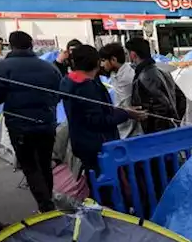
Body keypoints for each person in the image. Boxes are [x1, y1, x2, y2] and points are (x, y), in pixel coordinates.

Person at [0, 31, 62, 212]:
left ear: (11, 45)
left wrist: (7, 96)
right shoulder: (49, 67)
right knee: (44, 163)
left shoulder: (2, 68)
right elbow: (59, 93)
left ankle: (45, 205)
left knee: (30, 166)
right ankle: (47, 202)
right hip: (46, 123)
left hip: (20, 125)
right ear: (31, 44)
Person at [60, 45, 143, 176]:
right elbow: (98, 119)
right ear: (97, 62)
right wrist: (126, 113)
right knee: (107, 184)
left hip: (82, 142)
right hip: (98, 146)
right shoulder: (86, 87)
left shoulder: (69, 81)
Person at [124, 37, 186, 134]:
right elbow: (181, 98)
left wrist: (155, 133)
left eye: (127, 53)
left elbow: (162, 105)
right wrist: (176, 120)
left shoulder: (145, 77)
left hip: (158, 134)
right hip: (170, 129)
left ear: (133, 55)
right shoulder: (163, 72)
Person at [98, 43, 138, 139]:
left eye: (103, 61)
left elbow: (125, 105)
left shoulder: (126, 77)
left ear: (114, 60)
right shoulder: (114, 72)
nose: (101, 64)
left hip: (128, 126)